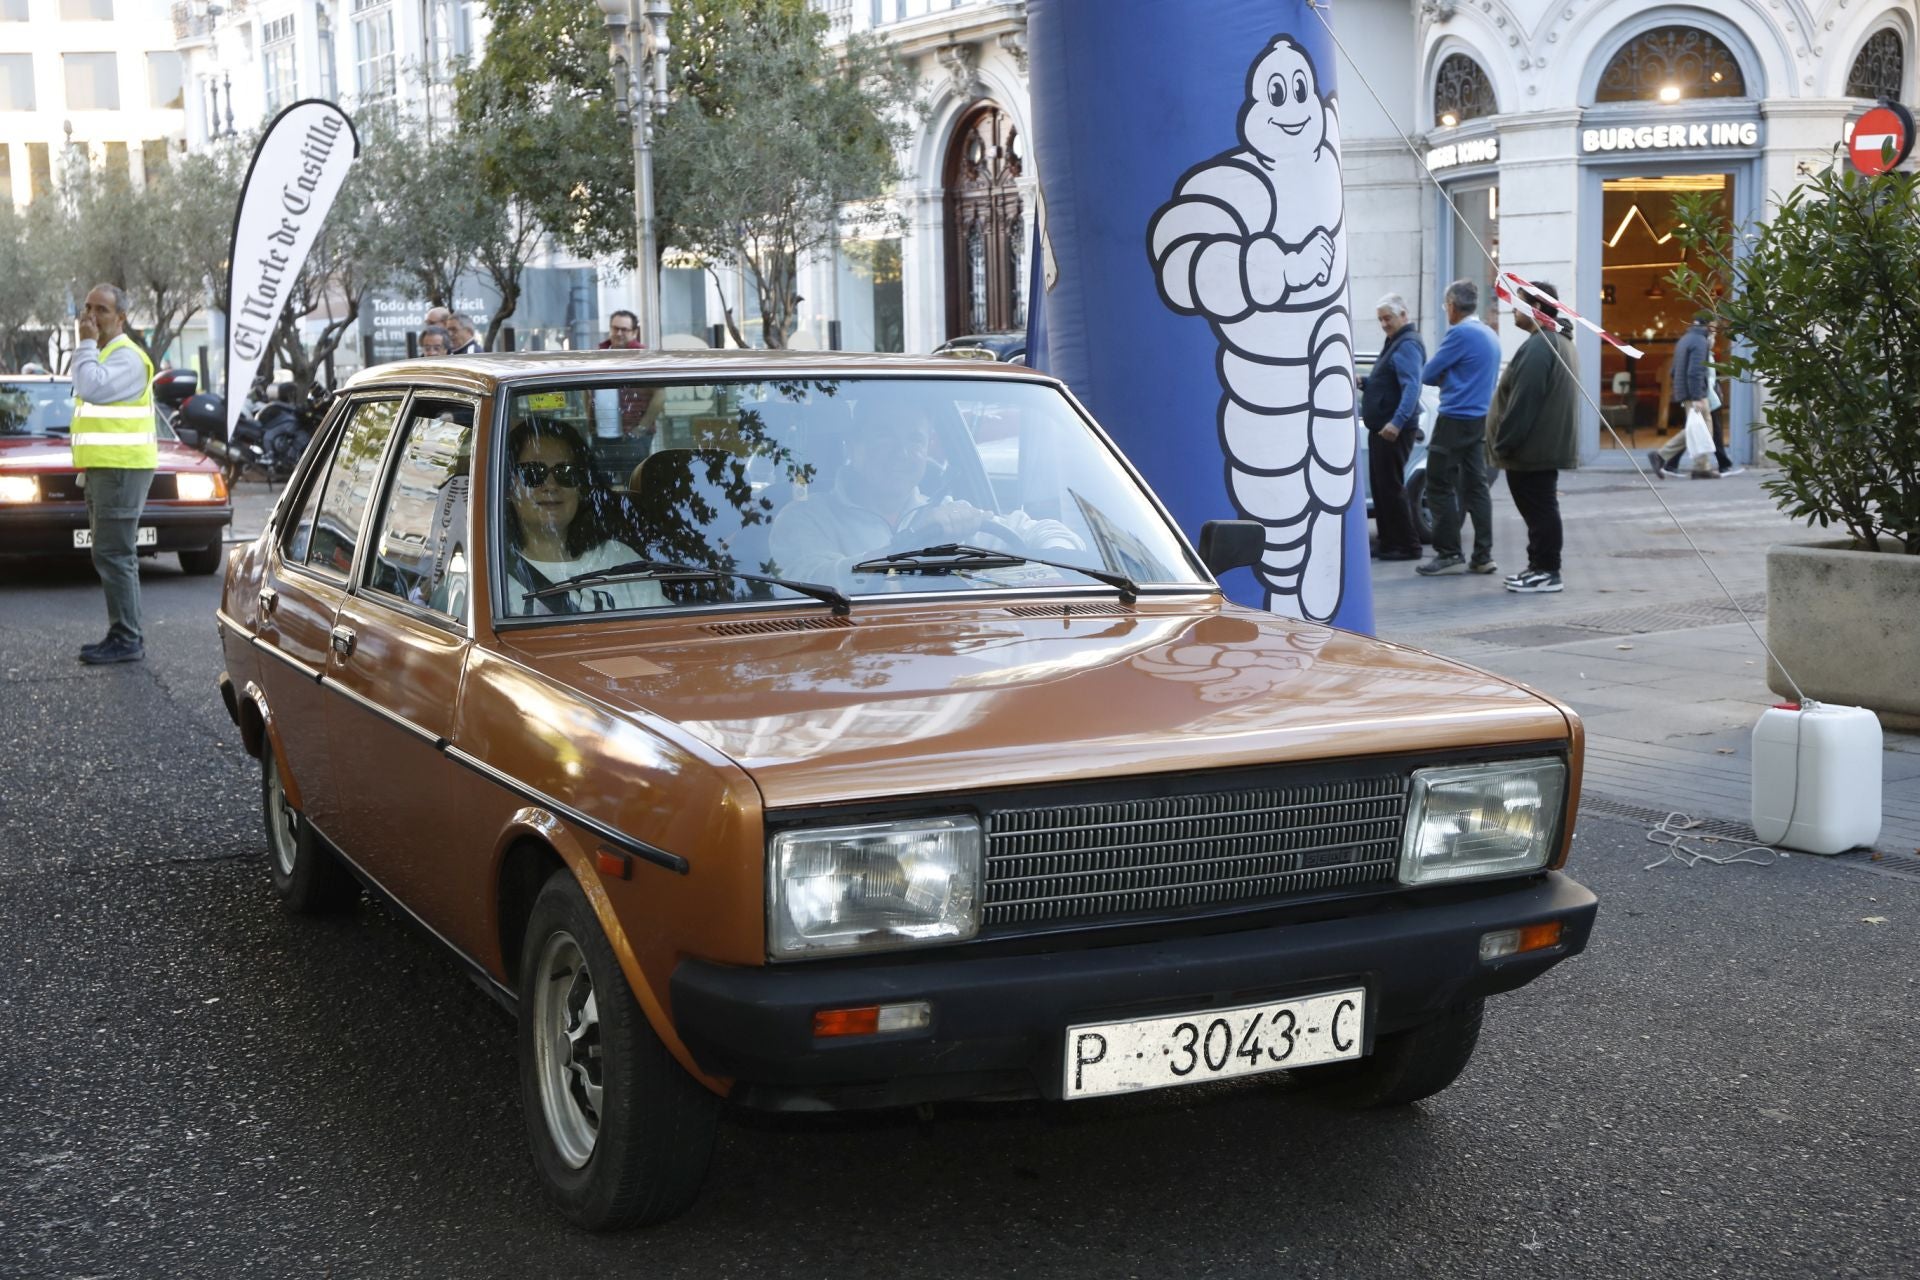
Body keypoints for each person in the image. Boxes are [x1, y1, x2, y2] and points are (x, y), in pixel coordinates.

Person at [770, 402, 1080, 585]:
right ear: (853, 445)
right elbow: (813, 580)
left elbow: (1036, 530)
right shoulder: (805, 518)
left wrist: (1058, 552)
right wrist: (912, 544)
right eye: (884, 435)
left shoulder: (943, 514)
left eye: (915, 440)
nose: (902, 453)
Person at [71, 283, 157, 665]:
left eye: (101, 310)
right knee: (111, 553)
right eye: (87, 308)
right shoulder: (106, 354)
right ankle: (122, 634)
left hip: (122, 469)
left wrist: (85, 344)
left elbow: (90, 387)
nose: (90, 317)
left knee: (114, 553)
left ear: (121, 318)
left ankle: (127, 638)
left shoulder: (126, 358)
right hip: (106, 469)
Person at [503, 418, 664, 615]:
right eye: (533, 473)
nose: (551, 486)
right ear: (508, 488)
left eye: (566, 473)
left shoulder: (622, 561)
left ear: (581, 488)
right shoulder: (488, 571)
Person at [1487, 281, 1580, 595]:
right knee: (1540, 510)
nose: (1513, 307)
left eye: (1519, 302)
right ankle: (1538, 567)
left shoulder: (1542, 345)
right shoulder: (1555, 341)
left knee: (1540, 511)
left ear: (1537, 308)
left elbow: (1524, 401)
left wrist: (1504, 442)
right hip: (1538, 447)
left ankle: (1546, 570)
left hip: (1531, 449)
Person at [1417, 278, 1502, 576]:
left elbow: (1427, 373)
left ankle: (1449, 552)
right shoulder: (1490, 335)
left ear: (1452, 306)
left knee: (1438, 484)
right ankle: (1483, 555)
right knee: (1476, 487)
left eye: (1445, 306)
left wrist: (1447, 378)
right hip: (1479, 419)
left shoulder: (1460, 334)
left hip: (1454, 419)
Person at [1359, 293, 1426, 561]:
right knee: (1381, 488)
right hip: (1382, 427)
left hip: (1393, 429)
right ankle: (1389, 542)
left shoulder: (1407, 344)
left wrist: (1396, 423)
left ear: (1403, 315)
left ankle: (1409, 546)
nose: (1384, 323)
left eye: (1388, 318)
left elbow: (1412, 387)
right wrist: (1365, 382)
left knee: (1392, 488)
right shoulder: (1395, 342)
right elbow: (1389, 381)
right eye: (1380, 319)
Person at [1647, 313, 1733, 479]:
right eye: (1714, 327)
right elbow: (1695, 371)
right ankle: (1660, 455)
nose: (1715, 332)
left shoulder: (1686, 339)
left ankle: (1701, 467)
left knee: (1700, 429)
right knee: (1700, 429)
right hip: (1695, 393)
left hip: (1686, 392)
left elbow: (1674, 371)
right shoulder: (1700, 342)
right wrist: (1698, 397)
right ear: (1708, 325)